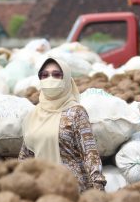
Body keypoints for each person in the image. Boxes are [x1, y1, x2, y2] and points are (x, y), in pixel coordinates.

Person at [19, 56, 106, 191]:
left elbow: (90, 153)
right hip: (42, 189)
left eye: (56, 75)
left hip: (72, 189)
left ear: (66, 79)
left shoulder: (76, 112)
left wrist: (98, 187)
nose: (50, 79)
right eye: (44, 75)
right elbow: (26, 156)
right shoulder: (33, 115)